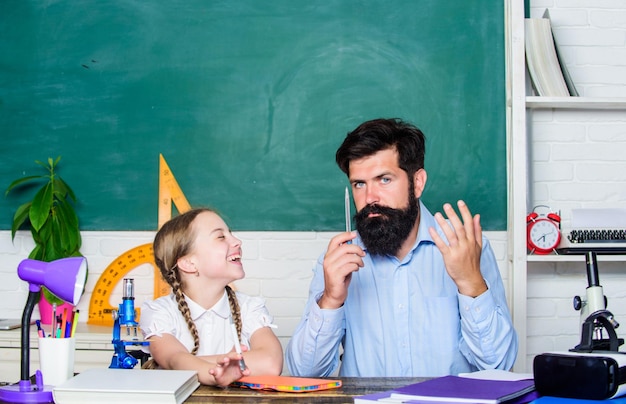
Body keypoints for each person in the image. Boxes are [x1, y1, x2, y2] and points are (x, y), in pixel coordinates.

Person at [285, 118, 518, 377]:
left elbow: (499, 365)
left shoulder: (467, 250)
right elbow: (305, 375)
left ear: (417, 183)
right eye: (359, 184)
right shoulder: (339, 260)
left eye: (384, 179)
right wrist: (331, 300)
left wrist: (471, 284)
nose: (369, 197)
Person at [140, 208, 283, 386]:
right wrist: (219, 373)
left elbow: (270, 363)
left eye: (230, 234)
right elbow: (174, 360)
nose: (238, 241)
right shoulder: (159, 312)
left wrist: (195, 365)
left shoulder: (250, 307)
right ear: (189, 263)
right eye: (221, 237)